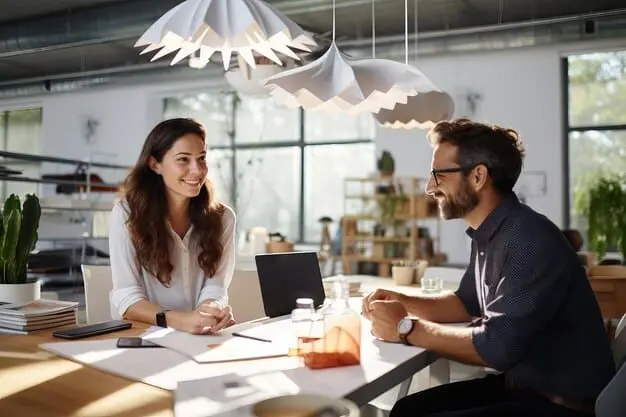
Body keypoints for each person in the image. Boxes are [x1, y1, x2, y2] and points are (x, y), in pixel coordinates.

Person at [362, 118, 615, 416]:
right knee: (407, 409)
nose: (430, 188)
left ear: (478, 176)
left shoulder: (528, 240)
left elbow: (497, 348)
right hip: (524, 387)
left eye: (438, 175)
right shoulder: (492, 233)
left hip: (561, 404)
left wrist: (405, 327)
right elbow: (466, 302)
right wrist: (400, 301)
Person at [109, 118, 236, 335]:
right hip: (142, 337)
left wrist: (211, 309)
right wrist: (179, 320)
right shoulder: (127, 214)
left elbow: (216, 285)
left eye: (201, 158)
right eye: (183, 160)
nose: (197, 171)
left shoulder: (223, 217)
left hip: (198, 337)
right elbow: (127, 297)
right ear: (155, 164)